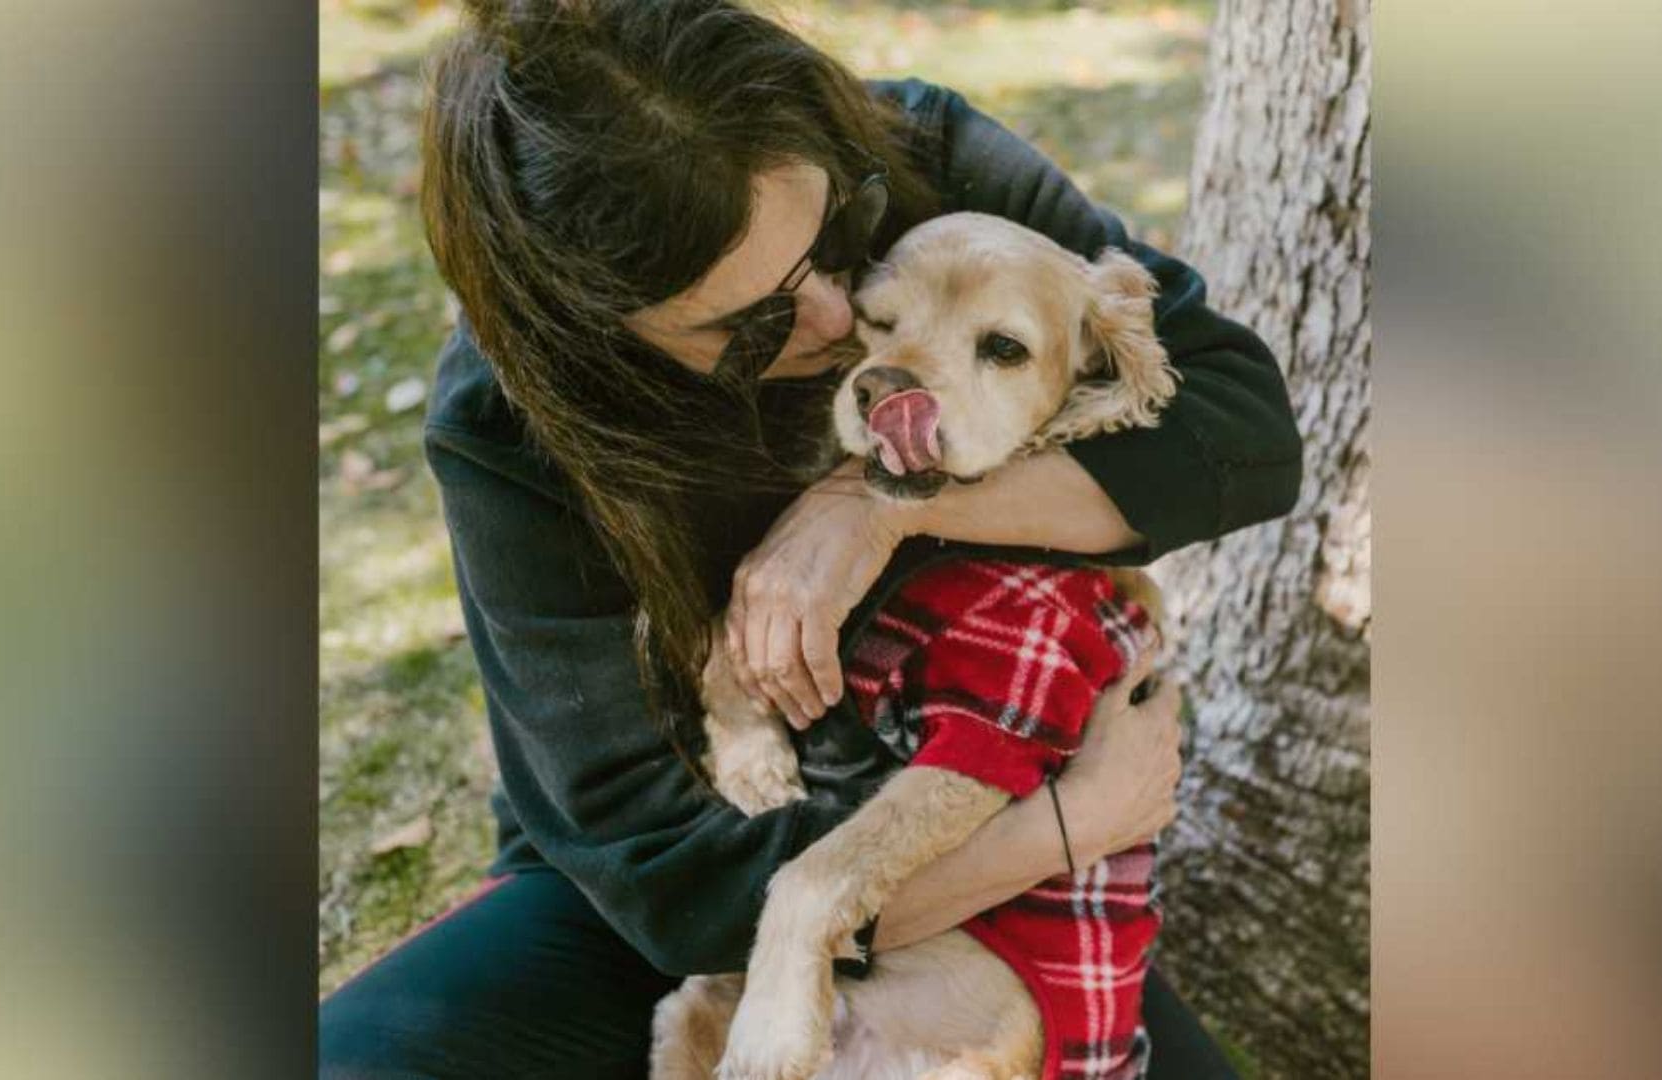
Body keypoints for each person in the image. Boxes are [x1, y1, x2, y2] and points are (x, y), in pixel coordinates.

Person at [319, 2, 1302, 1077]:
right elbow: (662, 876)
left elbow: (1242, 432)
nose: (838, 317)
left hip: (968, 861)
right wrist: (1067, 826)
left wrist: (881, 505)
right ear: (602, 341)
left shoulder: (918, 154)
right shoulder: (506, 421)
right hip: (732, 873)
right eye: (749, 325)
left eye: (837, 237)